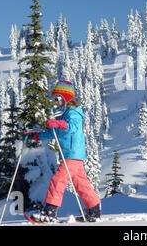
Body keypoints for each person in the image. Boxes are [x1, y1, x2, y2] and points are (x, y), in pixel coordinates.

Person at [26, 80, 101, 222]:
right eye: (53, 98)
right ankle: (94, 210)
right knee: (81, 184)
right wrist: (35, 136)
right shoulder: (62, 115)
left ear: (65, 98)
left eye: (57, 98)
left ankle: (50, 212)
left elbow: (70, 127)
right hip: (72, 155)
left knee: (58, 180)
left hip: (72, 154)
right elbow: (53, 132)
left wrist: (58, 123)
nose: (54, 101)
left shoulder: (74, 113)